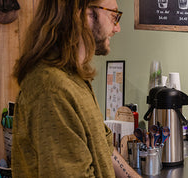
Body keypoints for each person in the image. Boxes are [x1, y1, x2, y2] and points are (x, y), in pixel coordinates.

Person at [11, 0, 139, 177]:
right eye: (113, 16)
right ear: (82, 14)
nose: (117, 28)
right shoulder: (51, 90)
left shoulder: (74, 78)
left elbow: (103, 146)